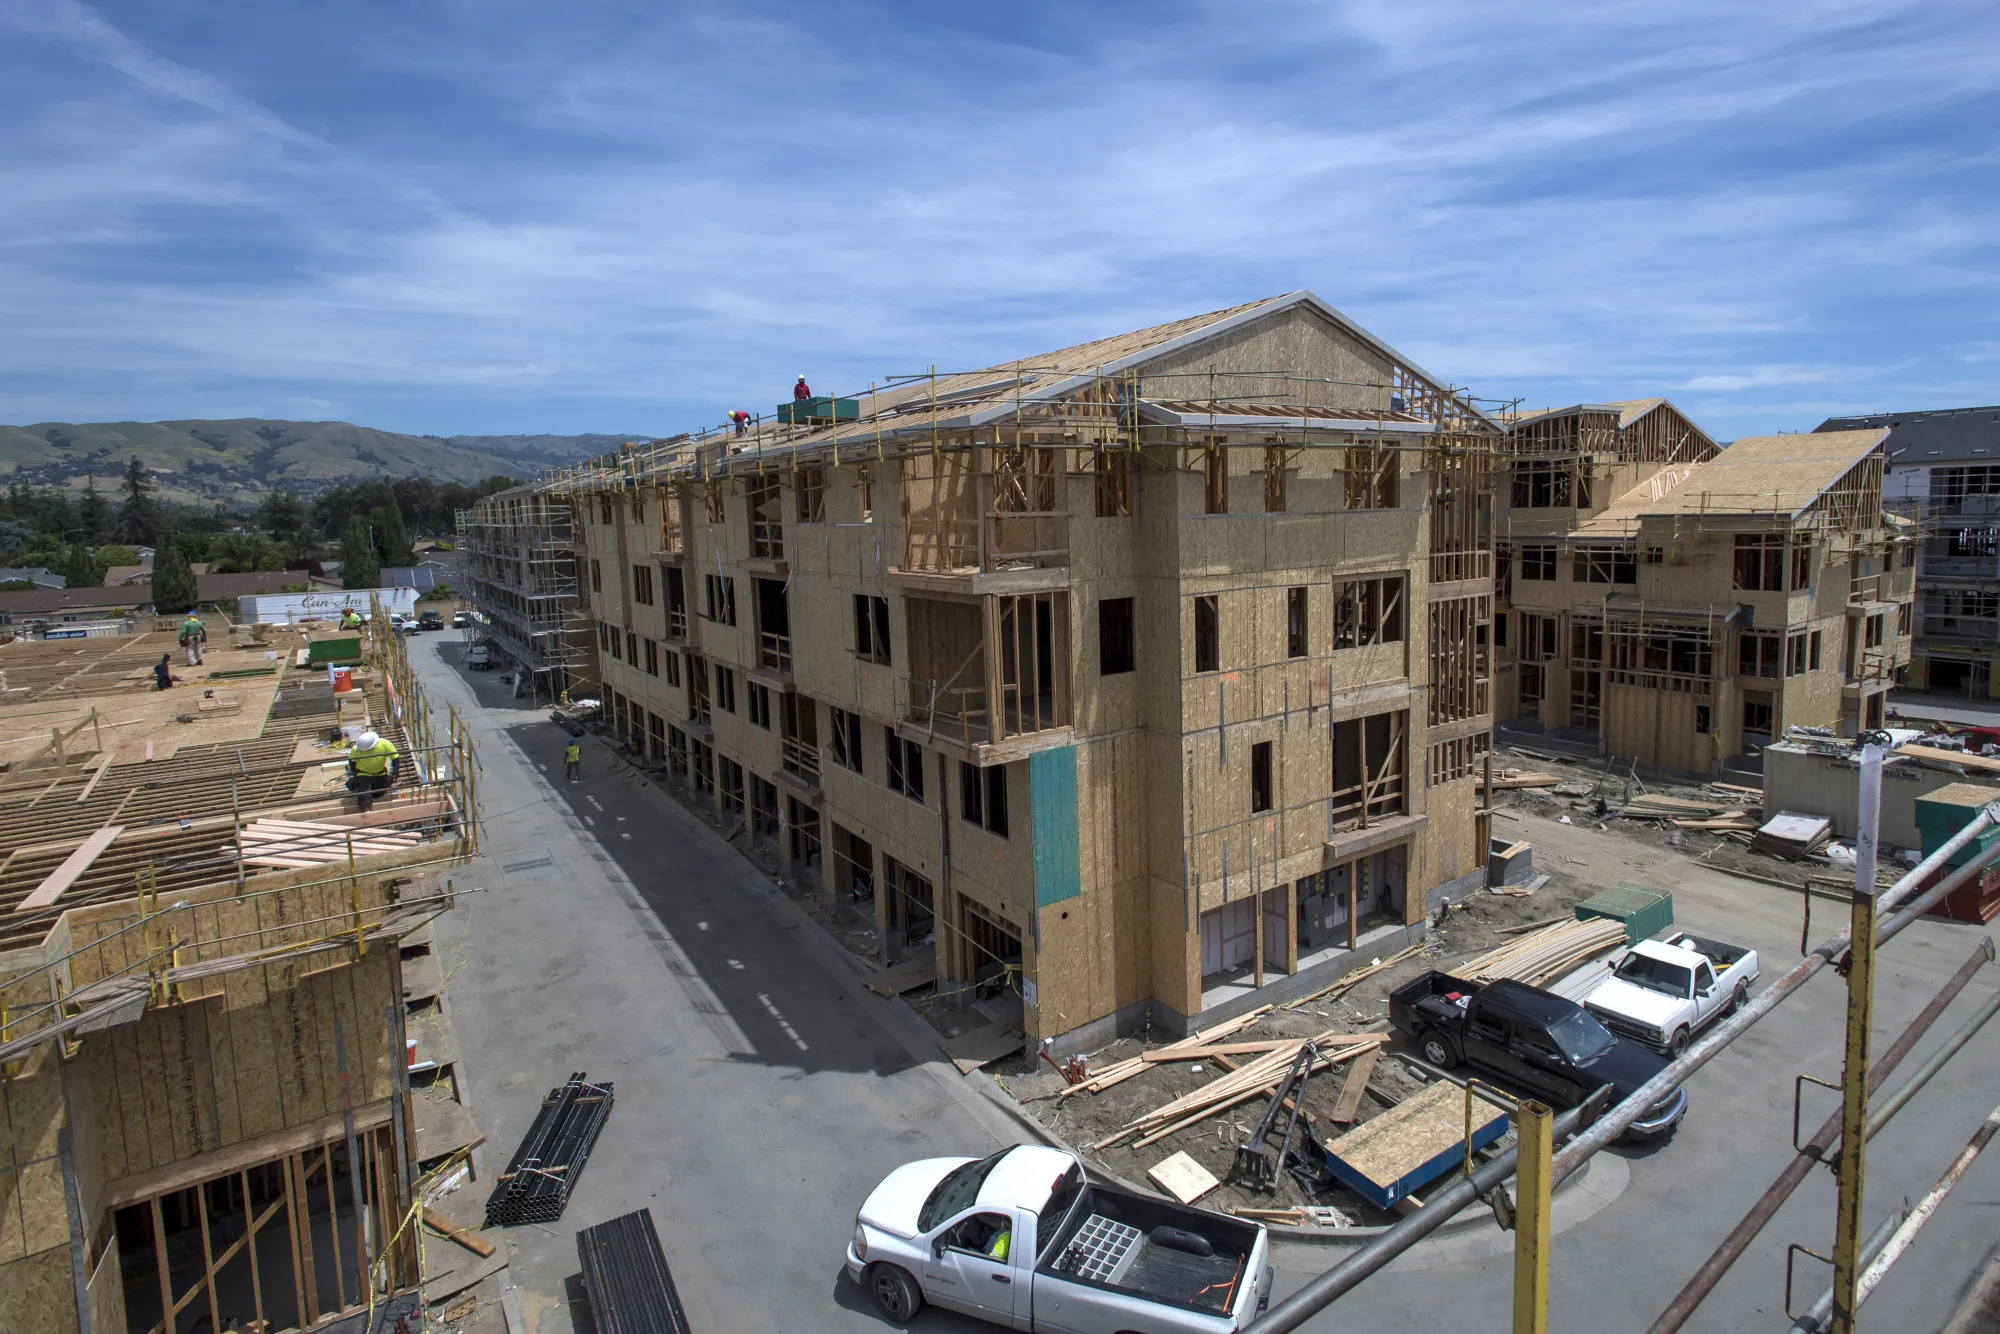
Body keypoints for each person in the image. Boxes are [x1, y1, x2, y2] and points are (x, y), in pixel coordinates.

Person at [345, 729, 401, 813]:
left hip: (380, 773)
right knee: (365, 795)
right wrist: (355, 775)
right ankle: (366, 811)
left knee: (378, 794)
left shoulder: (385, 744)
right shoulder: (356, 749)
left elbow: (395, 757)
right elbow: (352, 762)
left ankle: (388, 781)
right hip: (363, 773)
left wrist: (395, 772)